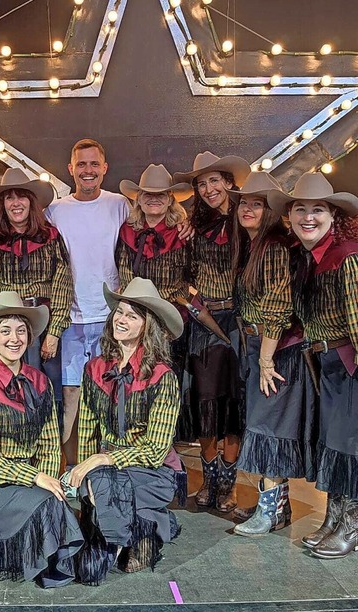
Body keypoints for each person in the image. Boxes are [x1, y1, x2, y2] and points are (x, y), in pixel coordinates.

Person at [0, 292, 83, 587]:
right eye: (5, 330)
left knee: (52, 501)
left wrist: (49, 481)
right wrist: (35, 477)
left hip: (35, 480)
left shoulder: (40, 382)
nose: (15, 338)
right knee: (48, 505)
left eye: (21, 330)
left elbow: (51, 443)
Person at [70, 278, 185, 583]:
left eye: (132, 316)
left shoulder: (163, 377)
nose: (121, 320)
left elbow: (155, 450)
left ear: (148, 326)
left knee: (111, 483)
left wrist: (101, 461)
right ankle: (126, 532)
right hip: (106, 474)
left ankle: (144, 531)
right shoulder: (95, 368)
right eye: (119, 312)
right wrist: (86, 475)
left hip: (153, 470)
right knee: (100, 485)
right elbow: (87, 430)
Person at [268, 172, 358, 559]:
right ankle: (335, 518)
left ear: (333, 216)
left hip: (349, 363)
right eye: (300, 209)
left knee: (350, 446)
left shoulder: (347, 256)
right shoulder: (309, 257)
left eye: (318, 209)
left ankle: (351, 525)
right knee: (334, 445)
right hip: (326, 360)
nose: (308, 217)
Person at [228, 171, 315, 536]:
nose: (248, 209)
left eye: (257, 204)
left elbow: (277, 307)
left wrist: (266, 359)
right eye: (244, 203)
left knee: (269, 428)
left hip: (277, 350)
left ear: (269, 213)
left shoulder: (275, 247)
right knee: (264, 426)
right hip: (261, 345)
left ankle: (270, 511)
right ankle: (276, 508)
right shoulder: (252, 246)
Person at [44, 139, 130, 468]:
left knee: (111, 397)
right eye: (81, 165)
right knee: (71, 399)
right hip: (70, 321)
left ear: (105, 168)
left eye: (94, 164)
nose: (88, 170)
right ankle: (66, 472)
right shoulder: (56, 211)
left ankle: (106, 468)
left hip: (110, 318)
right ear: (71, 169)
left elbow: (151, 225)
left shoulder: (120, 204)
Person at [173, 151, 250, 513]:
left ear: (229, 184)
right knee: (205, 403)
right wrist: (191, 298)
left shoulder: (247, 223)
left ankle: (229, 486)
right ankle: (208, 480)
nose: (208, 189)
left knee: (233, 405)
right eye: (201, 184)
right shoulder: (194, 226)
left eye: (214, 181)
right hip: (204, 324)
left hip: (237, 323)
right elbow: (184, 274)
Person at [0, 167, 73, 422]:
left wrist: (54, 332)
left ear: (31, 202)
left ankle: (48, 452)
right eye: (9, 197)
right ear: (3, 204)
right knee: (6, 390)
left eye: (22, 196)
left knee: (45, 392)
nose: (16, 203)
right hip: (6, 325)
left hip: (41, 324)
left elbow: (63, 285)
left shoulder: (51, 237)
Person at [116, 163, 193, 376]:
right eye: (147, 194)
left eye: (161, 194)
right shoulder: (127, 231)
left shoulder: (183, 233)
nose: (154, 198)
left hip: (172, 322)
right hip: (135, 321)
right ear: (139, 199)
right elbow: (124, 274)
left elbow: (192, 274)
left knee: (168, 378)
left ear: (170, 199)